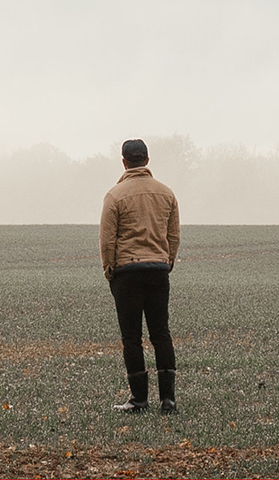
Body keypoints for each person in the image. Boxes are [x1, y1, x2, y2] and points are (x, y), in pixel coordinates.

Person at [100, 137, 179, 413]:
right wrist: (167, 261)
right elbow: (173, 236)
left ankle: (139, 399)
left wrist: (110, 270)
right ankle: (168, 399)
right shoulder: (167, 194)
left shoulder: (114, 196)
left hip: (127, 273)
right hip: (158, 271)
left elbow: (107, 241)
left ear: (124, 162)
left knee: (131, 337)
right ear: (147, 160)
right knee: (161, 334)